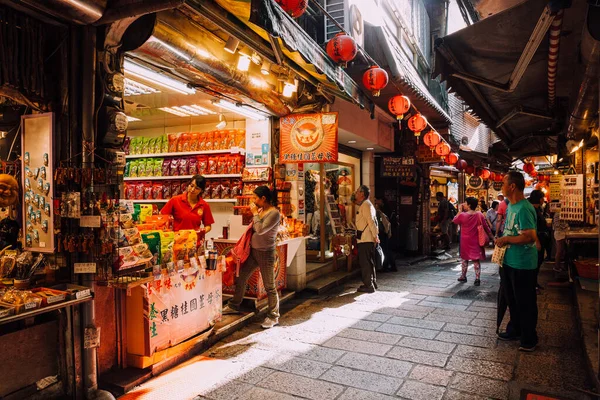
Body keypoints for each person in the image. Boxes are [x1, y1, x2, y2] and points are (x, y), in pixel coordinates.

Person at [222, 186, 282, 329]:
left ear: (263, 199)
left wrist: (255, 213)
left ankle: (273, 316)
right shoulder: (261, 211)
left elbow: (261, 230)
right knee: (241, 276)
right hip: (253, 252)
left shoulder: (274, 213)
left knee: (269, 286)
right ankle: (234, 304)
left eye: (255, 198)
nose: (254, 201)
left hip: (266, 253)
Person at [496, 171, 539, 352]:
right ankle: (515, 330)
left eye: (504, 183)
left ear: (512, 186)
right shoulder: (511, 206)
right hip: (509, 261)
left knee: (525, 302)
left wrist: (506, 240)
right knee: (512, 300)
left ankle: (529, 339)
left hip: (523, 263)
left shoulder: (524, 208)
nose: (502, 186)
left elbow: (530, 237)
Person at [453, 197, 494, 286]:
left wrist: (460, 210)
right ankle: (477, 278)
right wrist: (492, 237)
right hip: (476, 241)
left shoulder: (462, 215)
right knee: (476, 260)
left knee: (464, 259)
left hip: (465, 241)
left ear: (469, 205)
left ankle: (463, 276)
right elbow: (486, 227)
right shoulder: (479, 214)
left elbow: (455, 220)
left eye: (466, 203)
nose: (464, 204)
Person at [355, 185, 379, 293]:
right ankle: (372, 282)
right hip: (367, 238)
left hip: (365, 238)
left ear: (362, 194)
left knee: (365, 262)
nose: (355, 193)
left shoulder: (365, 205)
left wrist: (375, 236)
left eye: (357, 192)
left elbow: (371, 222)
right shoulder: (367, 204)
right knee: (369, 262)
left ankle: (368, 285)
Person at [529, 190, 551, 293]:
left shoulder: (538, 209)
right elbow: (532, 227)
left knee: (538, 262)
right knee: (535, 263)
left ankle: (534, 283)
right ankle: (532, 285)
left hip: (542, 239)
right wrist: (537, 241)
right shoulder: (532, 209)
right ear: (538, 198)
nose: (543, 200)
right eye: (542, 198)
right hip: (537, 240)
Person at [375, 202, 395, 272]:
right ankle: (391, 265)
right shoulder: (383, 213)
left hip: (382, 234)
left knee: (383, 250)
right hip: (385, 233)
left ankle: (384, 266)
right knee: (386, 250)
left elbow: (379, 224)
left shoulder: (378, 213)